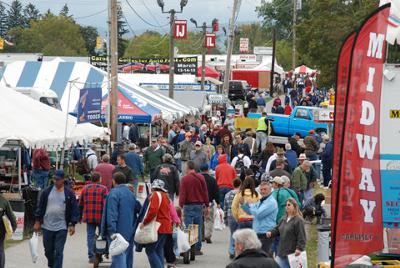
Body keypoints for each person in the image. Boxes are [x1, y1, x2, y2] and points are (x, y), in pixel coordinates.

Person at [34, 170, 80, 268]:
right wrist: (38, 221)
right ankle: (52, 264)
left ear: (63, 180)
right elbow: (40, 207)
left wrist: (72, 224)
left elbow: (74, 209)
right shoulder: (46, 192)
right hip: (47, 226)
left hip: (62, 227)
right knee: (48, 251)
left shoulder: (69, 193)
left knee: (59, 251)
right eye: (54, 179)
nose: (55, 181)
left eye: (57, 179)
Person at [101, 172, 141, 268]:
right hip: (130, 230)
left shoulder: (113, 193)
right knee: (127, 256)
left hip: (118, 231)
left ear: (114, 181)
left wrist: (112, 231)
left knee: (118, 257)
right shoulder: (130, 193)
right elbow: (139, 208)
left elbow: (112, 213)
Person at [179, 161, 209, 255]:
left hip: (188, 205)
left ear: (188, 168)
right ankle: (197, 248)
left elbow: (183, 193)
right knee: (198, 226)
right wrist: (206, 205)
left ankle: (188, 247)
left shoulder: (184, 179)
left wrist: (181, 205)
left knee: (188, 227)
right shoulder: (201, 177)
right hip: (199, 205)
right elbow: (205, 191)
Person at [267, 198, 306, 268]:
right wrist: (271, 232)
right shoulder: (283, 218)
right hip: (282, 251)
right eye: (286, 205)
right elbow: (277, 229)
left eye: (289, 205)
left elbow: (302, 236)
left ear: (294, 206)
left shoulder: (298, 220)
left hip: (293, 253)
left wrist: (299, 248)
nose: (286, 206)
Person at [141, 179, 172, 268]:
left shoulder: (155, 195)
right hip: (166, 226)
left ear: (154, 187)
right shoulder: (166, 196)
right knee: (158, 249)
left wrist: (145, 222)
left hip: (158, 226)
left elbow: (152, 211)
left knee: (150, 250)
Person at [241, 181, 277, 256]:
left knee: (264, 257)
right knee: (257, 257)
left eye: (265, 189)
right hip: (258, 233)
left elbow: (258, 214)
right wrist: (244, 204)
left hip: (266, 234)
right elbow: (251, 211)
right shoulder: (261, 200)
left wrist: (250, 207)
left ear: (270, 190)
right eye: (261, 189)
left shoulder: (271, 202)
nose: (263, 191)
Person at [78, 172, 108, 263]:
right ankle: (101, 252)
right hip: (101, 217)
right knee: (103, 235)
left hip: (89, 216)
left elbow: (80, 204)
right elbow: (106, 203)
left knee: (90, 236)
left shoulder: (85, 189)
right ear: (99, 179)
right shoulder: (104, 189)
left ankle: (91, 255)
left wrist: (79, 216)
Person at [200, 163, 220, 244]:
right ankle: (207, 235)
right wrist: (218, 202)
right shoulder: (212, 180)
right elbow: (216, 192)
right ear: (208, 170)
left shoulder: (198, 179)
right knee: (209, 219)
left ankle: (201, 236)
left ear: (200, 170)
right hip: (209, 202)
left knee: (201, 220)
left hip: (199, 202)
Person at [224, 179, 242, 259]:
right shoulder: (242, 194)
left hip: (230, 215)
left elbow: (225, 207)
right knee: (240, 234)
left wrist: (225, 219)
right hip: (239, 216)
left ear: (233, 185)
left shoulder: (227, 194)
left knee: (232, 233)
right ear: (240, 185)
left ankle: (231, 250)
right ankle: (238, 250)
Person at [0, 192, 17, 268]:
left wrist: (12, 228)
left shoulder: (4, 201)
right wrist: (13, 228)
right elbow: (12, 217)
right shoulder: (3, 201)